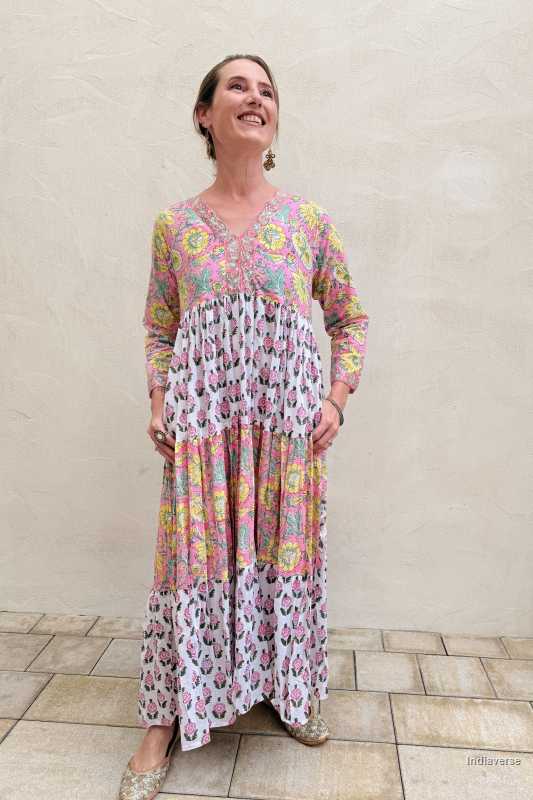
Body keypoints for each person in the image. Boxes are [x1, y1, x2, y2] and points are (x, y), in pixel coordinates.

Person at [118, 53, 369, 799]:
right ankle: (163, 717)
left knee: (281, 554)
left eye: (266, 90)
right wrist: (160, 400)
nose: (254, 98)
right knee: (189, 560)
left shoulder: (307, 221)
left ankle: (288, 688)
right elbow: (159, 327)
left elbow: (349, 318)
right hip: (204, 427)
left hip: (286, 430)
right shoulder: (175, 226)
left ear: (274, 119)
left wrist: (334, 399)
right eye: (237, 86)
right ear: (206, 114)